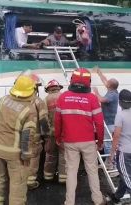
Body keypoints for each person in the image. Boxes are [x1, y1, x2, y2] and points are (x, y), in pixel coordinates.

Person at [0, 75, 50, 205]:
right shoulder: (29, 110)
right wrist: (26, 156)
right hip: (15, 154)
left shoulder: (2, 100)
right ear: (32, 90)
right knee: (18, 186)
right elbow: (26, 136)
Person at [55, 68, 106, 205]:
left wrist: (58, 138)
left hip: (70, 141)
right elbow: (100, 123)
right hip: (88, 142)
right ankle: (98, 199)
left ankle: (69, 202)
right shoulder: (92, 98)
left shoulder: (63, 97)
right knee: (92, 171)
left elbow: (57, 121)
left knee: (71, 172)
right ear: (88, 82)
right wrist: (100, 142)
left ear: (72, 80)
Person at [93, 67, 119, 174]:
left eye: (107, 83)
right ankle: (106, 162)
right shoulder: (112, 90)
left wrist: (96, 92)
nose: (106, 82)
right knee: (106, 143)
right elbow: (105, 80)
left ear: (109, 86)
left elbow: (102, 99)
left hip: (110, 123)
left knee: (108, 144)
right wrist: (99, 73)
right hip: (108, 122)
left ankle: (111, 166)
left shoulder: (112, 95)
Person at [108, 89, 131, 204]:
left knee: (127, 177)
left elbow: (116, 136)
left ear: (120, 102)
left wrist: (111, 154)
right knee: (125, 174)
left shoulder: (120, 115)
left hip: (124, 152)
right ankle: (117, 196)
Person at [43, 80, 66, 183]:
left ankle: (48, 176)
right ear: (58, 88)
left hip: (50, 133)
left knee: (50, 154)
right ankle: (63, 178)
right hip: (64, 133)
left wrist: (44, 133)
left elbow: (43, 118)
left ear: (48, 89)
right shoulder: (65, 97)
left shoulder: (45, 100)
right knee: (63, 155)